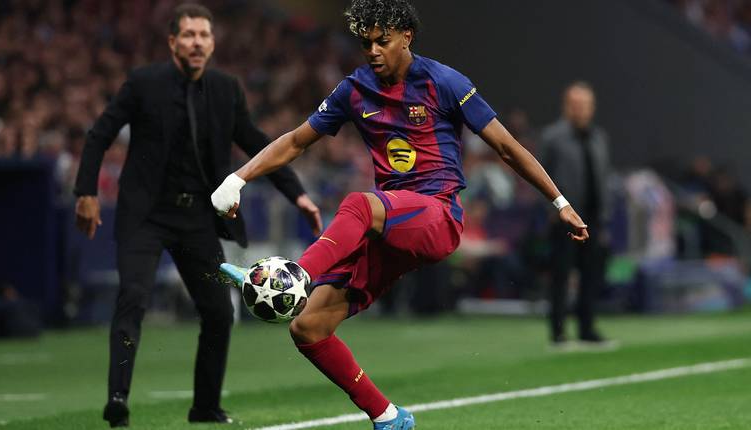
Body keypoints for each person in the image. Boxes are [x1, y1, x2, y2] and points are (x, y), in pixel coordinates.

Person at [212, 1, 588, 428]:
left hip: (438, 216)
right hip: (389, 228)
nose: (373, 51)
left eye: (382, 41)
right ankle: (388, 416)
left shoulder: (444, 82)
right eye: (366, 43)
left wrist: (560, 202)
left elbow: (506, 147)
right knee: (308, 327)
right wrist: (238, 178)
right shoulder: (354, 90)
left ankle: (291, 278)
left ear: (406, 37)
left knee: (359, 204)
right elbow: (297, 140)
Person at [73, 4, 322, 427]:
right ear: (173, 42)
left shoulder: (226, 89)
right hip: (145, 218)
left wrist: (297, 194)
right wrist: (86, 192)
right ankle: (117, 401)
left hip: (196, 222)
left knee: (219, 311)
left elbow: (256, 142)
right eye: (188, 35)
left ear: (212, 43)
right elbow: (100, 134)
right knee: (133, 298)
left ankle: (205, 407)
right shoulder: (143, 83)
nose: (196, 42)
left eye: (203, 35)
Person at [539, 81, 612, 346]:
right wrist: (552, 210)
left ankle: (587, 328)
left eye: (586, 104)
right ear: (567, 106)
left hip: (593, 218)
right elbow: (540, 176)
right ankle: (558, 331)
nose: (581, 109)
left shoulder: (599, 137)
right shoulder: (552, 137)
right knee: (561, 275)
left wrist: (604, 215)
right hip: (564, 217)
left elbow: (603, 177)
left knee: (591, 275)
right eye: (576, 104)